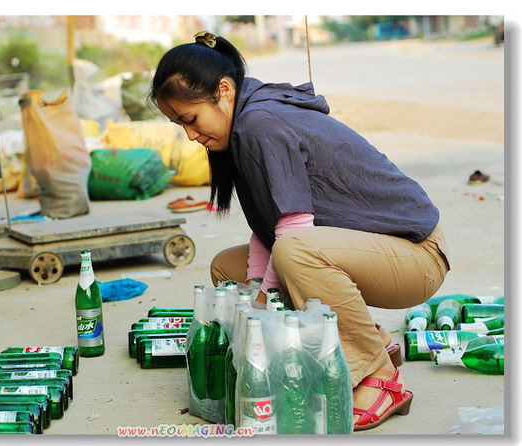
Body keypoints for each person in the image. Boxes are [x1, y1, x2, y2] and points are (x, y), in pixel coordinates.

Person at [150, 31, 450, 431]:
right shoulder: (241, 127)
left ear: (223, 90)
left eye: (190, 119)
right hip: (364, 250)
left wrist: (263, 298)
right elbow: (269, 226)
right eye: (179, 125)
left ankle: (378, 375)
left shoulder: (260, 124)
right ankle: (365, 338)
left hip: (416, 255)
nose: (189, 135)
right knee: (228, 269)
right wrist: (257, 290)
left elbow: (292, 233)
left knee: (295, 254)